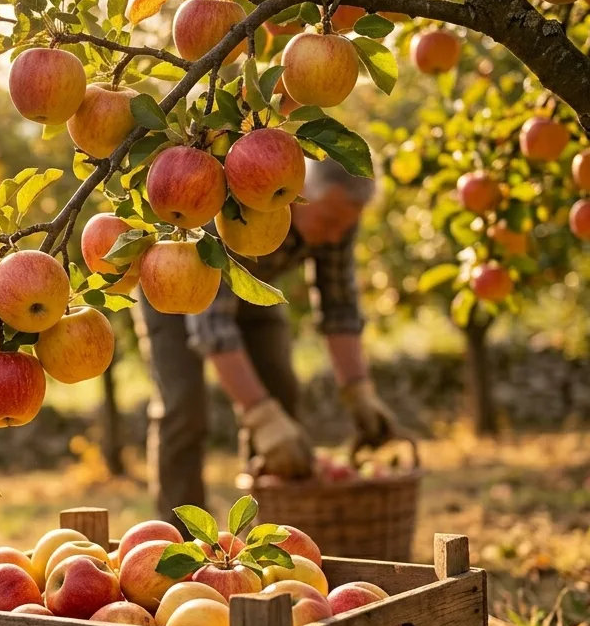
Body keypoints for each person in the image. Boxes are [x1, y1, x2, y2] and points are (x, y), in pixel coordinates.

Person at [134, 157, 399, 524]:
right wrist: (259, 415)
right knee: (184, 407)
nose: (336, 235)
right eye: (329, 222)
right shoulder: (232, 208)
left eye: (344, 225)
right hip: (174, 282)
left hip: (254, 289)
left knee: (281, 387)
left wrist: (358, 390)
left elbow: (339, 306)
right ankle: (178, 538)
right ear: (299, 197)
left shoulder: (337, 215)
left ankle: (275, 528)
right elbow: (212, 329)